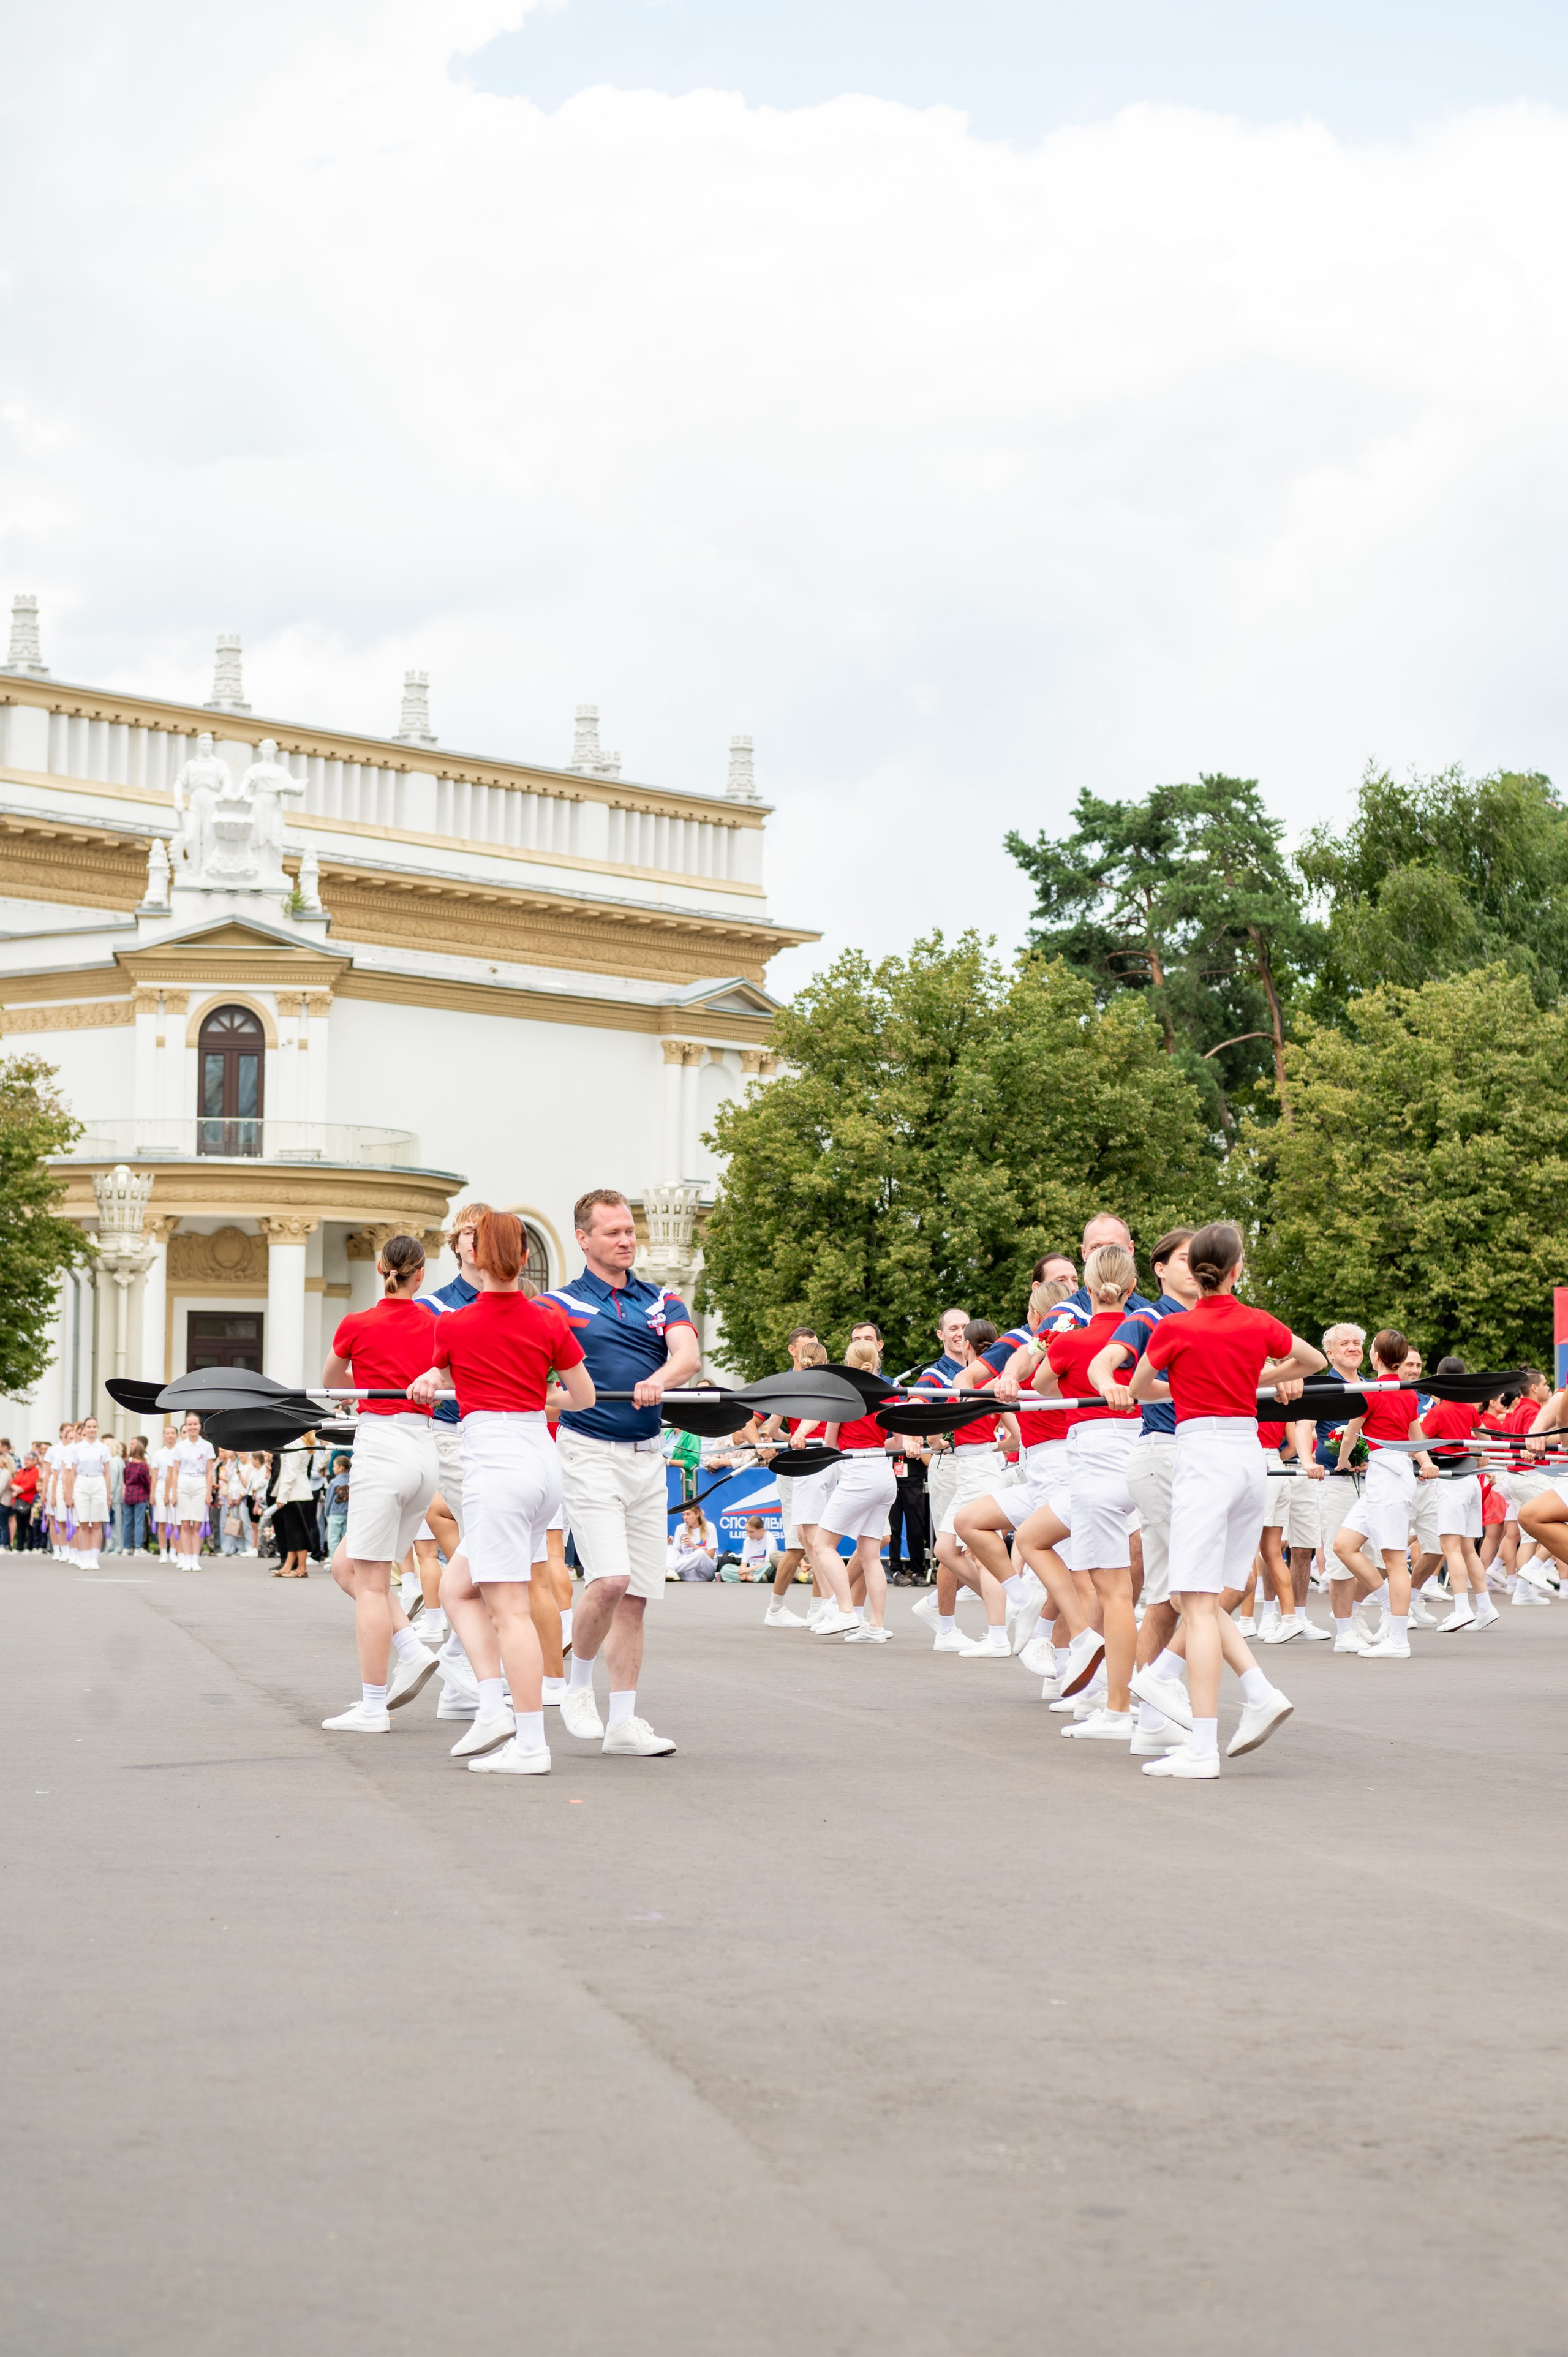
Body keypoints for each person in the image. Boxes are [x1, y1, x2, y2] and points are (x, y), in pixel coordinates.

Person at [1129, 1220, 1324, 1778]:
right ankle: (1251, 1692)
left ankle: (1202, 1744)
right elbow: (1312, 1361)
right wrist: (1260, 1378)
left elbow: (1142, 1388)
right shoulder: (1257, 1322)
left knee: (1195, 1600)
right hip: (1248, 1457)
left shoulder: (1176, 1328)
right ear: (1237, 1270)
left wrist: (1186, 1386)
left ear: (1193, 1271)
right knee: (1214, 1598)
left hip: (1203, 1454)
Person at [409, 1209, 595, 1774]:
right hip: (541, 1461)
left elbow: (436, 1379)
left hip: (496, 1464)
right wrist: (536, 1397)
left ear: (477, 1256)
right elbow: (583, 1396)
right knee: (460, 1588)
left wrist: (431, 1381)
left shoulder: (454, 1324)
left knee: (509, 1610)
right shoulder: (548, 1321)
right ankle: (491, 1706)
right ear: (522, 1256)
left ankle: (531, 1742)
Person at [545, 1189, 700, 1756]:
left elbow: (687, 1355)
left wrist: (663, 1377)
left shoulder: (662, 1300)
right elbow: (538, 1384)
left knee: (634, 1597)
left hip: (648, 1454)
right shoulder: (558, 1304)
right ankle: (575, 1686)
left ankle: (625, 1725)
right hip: (588, 1453)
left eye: (630, 1230)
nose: (626, 1240)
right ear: (584, 1239)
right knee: (608, 1581)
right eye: (612, 1232)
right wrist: (562, 1399)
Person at [318, 1234, 444, 1733]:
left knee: (370, 1584)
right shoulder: (438, 1325)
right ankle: (411, 1649)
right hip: (424, 1452)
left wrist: (363, 1385)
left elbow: (331, 1382)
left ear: (378, 1268)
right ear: (421, 1274)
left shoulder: (357, 1323)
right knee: (346, 1566)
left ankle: (373, 1708)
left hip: (382, 1445)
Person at [1044, 1246, 1145, 1738]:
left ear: (1086, 1289)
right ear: (1131, 1288)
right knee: (1145, 1589)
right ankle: (1126, 1696)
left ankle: (1118, 1707)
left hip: (1094, 1457)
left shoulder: (1071, 1339)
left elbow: (1043, 1386)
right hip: (1146, 1448)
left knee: (1112, 1592)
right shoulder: (1147, 1332)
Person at [1332, 1329, 1441, 1661]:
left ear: (1376, 1357)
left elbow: (1351, 1435)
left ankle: (1398, 1638)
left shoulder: (1372, 1391)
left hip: (1388, 1477)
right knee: (1344, 1545)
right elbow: (1415, 1434)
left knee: (1394, 1561)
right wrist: (1425, 1460)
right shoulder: (1408, 1393)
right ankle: (1386, 1602)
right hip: (1385, 1474)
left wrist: (1342, 1462)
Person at [808, 1336, 899, 1642]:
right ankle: (875, 1625)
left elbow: (830, 1444)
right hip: (885, 1475)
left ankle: (846, 1611)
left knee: (823, 1544)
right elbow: (897, 1444)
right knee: (870, 1554)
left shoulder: (842, 1396)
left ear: (849, 1364)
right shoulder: (890, 1396)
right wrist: (874, 1443)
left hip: (860, 1474)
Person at [1421, 1358, 1499, 1632]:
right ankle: (1486, 1607)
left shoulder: (1438, 1412)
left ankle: (1462, 1609)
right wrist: (1483, 1458)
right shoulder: (1469, 1409)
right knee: (1468, 1549)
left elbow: (1417, 1444)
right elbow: (1484, 1438)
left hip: (1450, 1482)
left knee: (1451, 1548)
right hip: (1471, 1483)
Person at [760, 1326, 824, 1627]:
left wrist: (788, 1437)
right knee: (799, 1544)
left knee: (820, 1542)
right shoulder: (787, 1384)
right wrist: (789, 1439)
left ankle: (817, 1608)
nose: (811, 1351)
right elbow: (767, 1428)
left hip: (819, 1460)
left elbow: (773, 1430)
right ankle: (776, 1609)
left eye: (815, 1345)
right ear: (793, 1350)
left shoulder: (821, 1382)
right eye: (807, 1346)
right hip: (800, 1467)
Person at [63, 1415, 113, 1571]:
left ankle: (94, 1558)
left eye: (94, 1427)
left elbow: (107, 1473)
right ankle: (84, 1557)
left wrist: (108, 1495)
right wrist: (70, 1494)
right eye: (89, 1427)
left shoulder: (103, 1448)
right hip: (82, 1483)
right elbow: (72, 1473)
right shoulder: (77, 1449)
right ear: (84, 1429)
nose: (92, 1430)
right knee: (83, 1523)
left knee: (97, 1523)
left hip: (98, 1482)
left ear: (97, 1429)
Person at [170, 1410, 216, 1569]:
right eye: (189, 1424)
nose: (192, 1427)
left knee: (197, 1524)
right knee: (185, 1524)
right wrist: (174, 1493)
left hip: (200, 1482)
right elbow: (175, 1471)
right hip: (184, 1481)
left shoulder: (207, 1446)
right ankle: (186, 1557)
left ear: (199, 1425)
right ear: (186, 1426)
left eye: (195, 1424)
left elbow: (210, 1471)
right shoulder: (180, 1447)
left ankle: (195, 1558)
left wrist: (209, 1493)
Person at [269, 1436, 317, 1577]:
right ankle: (288, 1566)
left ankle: (302, 1568)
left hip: (294, 1493)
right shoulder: (305, 1441)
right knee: (293, 1532)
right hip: (301, 1491)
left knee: (297, 1533)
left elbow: (291, 1472)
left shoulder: (294, 1442)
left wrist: (282, 1496)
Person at [151, 1422, 179, 1561]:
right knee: (162, 1521)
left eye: (173, 1433)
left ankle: (173, 1551)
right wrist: (152, 1494)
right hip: (161, 1487)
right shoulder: (158, 1454)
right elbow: (154, 1476)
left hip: (175, 1486)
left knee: (174, 1521)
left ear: (177, 1436)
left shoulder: (179, 1451)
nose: (170, 1436)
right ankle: (163, 1551)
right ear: (164, 1436)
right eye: (168, 1433)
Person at [668, 1504, 718, 1581]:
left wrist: (693, 1546)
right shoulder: (680, 1528)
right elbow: (676, 1553)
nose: (685, 1518)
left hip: (705, 1572)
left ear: (697, 1514)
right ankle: (670, 1570)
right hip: (686, 1572)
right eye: (683, 1515)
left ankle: (670, 1569)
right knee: (669, 1548)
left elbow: (711, 1555)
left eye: (688, 1514)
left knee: (700, 1553)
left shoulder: (710, 1527)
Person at [119, 1438, 152, 1556]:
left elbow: (125, 1479)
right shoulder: (143, 1467)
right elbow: (147, 1482)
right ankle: (138, 1547)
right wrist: (148, 1493)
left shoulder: (128, 1465)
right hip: (140, 1495)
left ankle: (126, 1547)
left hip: (128, 1495)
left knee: (128, 1523)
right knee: (139, 1522)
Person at [323, 1452, 352, 1560]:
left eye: (334, 1466)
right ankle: (346, 1561)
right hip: (348, 1513)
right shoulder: (351, 1480)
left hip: (335, 1513)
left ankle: (334, 1560)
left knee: (333, 1538)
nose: (333, 1469)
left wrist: (326, 1513)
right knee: (346, 1540)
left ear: (341, 1467)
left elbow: (329, 1499)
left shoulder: (334, 1482)